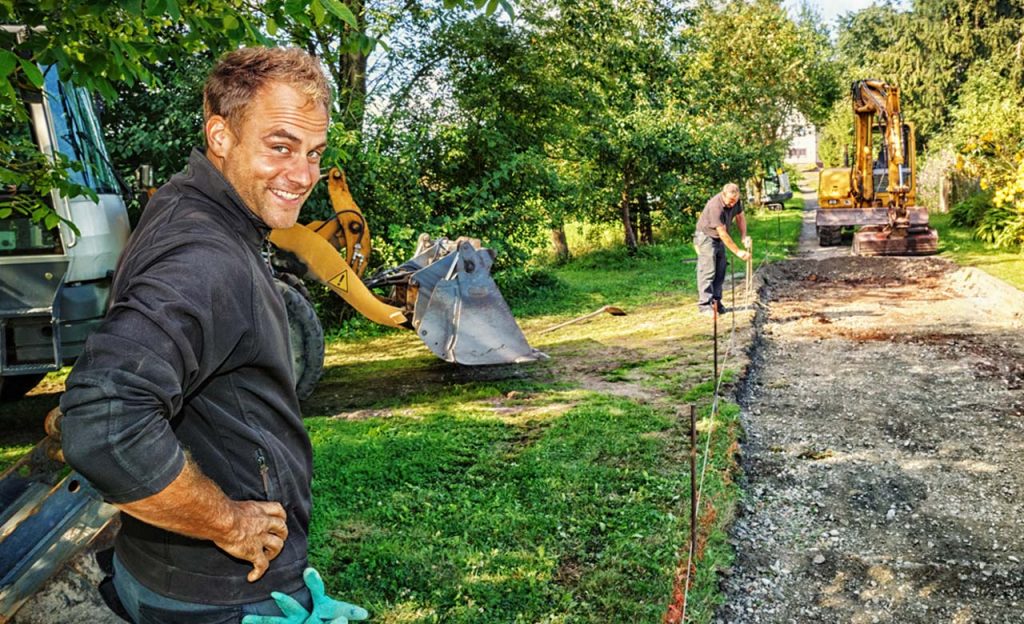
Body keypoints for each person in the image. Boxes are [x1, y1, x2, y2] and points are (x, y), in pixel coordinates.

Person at [58, 47, 363, 623]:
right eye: (280, 147)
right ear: (221, 136)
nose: (303, 176)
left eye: (313, 153)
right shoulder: (206, 255)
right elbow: (103, 423)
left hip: (167, 569)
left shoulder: (182, 203)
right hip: (225, 593)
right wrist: (228, 521)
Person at [694, 182, 751, 315]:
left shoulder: (736, 201)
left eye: (735, 201)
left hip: (719, 238)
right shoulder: (715, 206)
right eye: (730, 201)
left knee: (721, 269)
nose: (732, 204)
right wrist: (738, 251)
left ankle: (716, 302)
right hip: (706, 237)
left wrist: (743, 237)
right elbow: (722, 233)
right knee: (708, 271)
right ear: (723, 195)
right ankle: (704, 306)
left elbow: (740, 218)